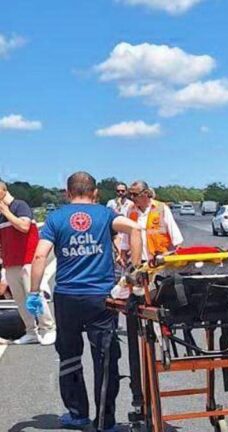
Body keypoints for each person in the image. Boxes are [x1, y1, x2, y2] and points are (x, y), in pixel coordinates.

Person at [27, 171, 143, 431]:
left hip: (67, 297)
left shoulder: (56, 219)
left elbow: (39, 257)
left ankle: (77, 414)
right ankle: (105, 421)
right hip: (101, 298)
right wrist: (134, 271)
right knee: (105, 358)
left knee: (69, 356)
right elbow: (135, 228)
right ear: (95, 193)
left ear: (68, 193)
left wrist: (34, 292)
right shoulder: (105, 214)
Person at [0, 181, 56, 345]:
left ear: (4, 191)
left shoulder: (20, 206)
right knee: (20, 299)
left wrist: (6, 212)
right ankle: (31, 331)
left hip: (28, 260)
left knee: (34, 295)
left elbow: (24, 226)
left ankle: (48, 328)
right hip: (10, 262)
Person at [124, 180, 183, 262]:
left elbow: (176, 237)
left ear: (145, 193)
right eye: (130, 194)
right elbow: (126, 237)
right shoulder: (130, 210)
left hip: (158, 260)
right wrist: (123, 253)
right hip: (138, 260)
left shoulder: (161, 208)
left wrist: (173, 255)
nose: (132, 198)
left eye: (135, 194)